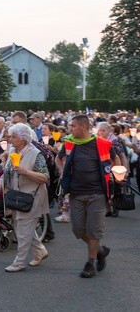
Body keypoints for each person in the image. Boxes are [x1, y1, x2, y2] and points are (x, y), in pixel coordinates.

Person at [59, 114, 117, 278]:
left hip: (97, 193)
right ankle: (100, 250)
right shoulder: (70, 142)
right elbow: (59, 159)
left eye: (73, 126)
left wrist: (119, 172)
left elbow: (117, 158)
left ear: (83, 127)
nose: (70, 129)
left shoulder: (102, 143)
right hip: (76, 193)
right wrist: (61, 170)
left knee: (94, 230)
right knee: (78, 229)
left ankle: (90, 263)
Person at [0, 123, 49, 272]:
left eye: (14, 137)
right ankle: (40, 251)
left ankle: (19, 262)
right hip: (16, 196)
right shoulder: (13, 151)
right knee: (22, 227)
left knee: (22, 230)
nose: (10, 140)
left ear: (24, 139)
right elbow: (6, 173)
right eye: (10, 136)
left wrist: (26, 172)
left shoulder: (36, 153)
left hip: (32, 196)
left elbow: (45, 177)